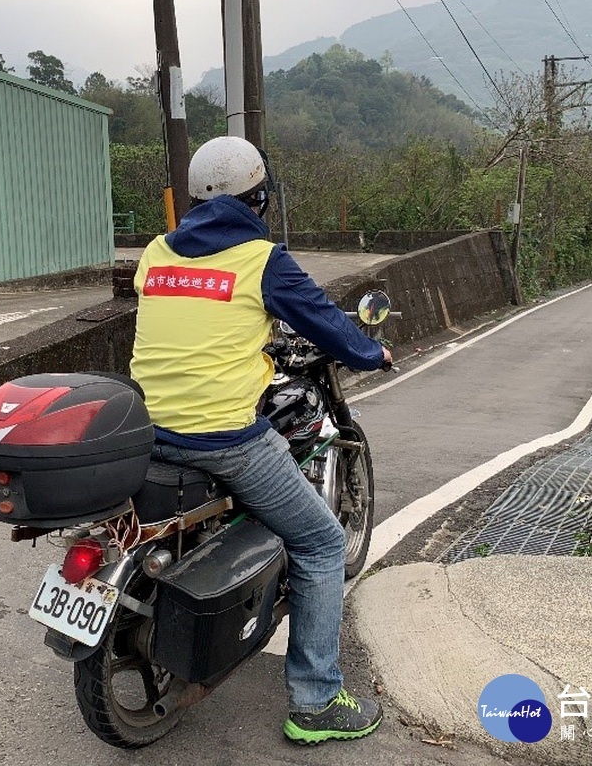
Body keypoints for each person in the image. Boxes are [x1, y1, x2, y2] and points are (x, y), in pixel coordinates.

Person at [129, 136, 392, 744]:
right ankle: (317, 702)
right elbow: (325, 320)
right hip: (221, 436)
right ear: (261, 196)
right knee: (324, 542)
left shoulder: (155, 254)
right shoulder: (261, 259)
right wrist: (370, 351)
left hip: (145, 428)